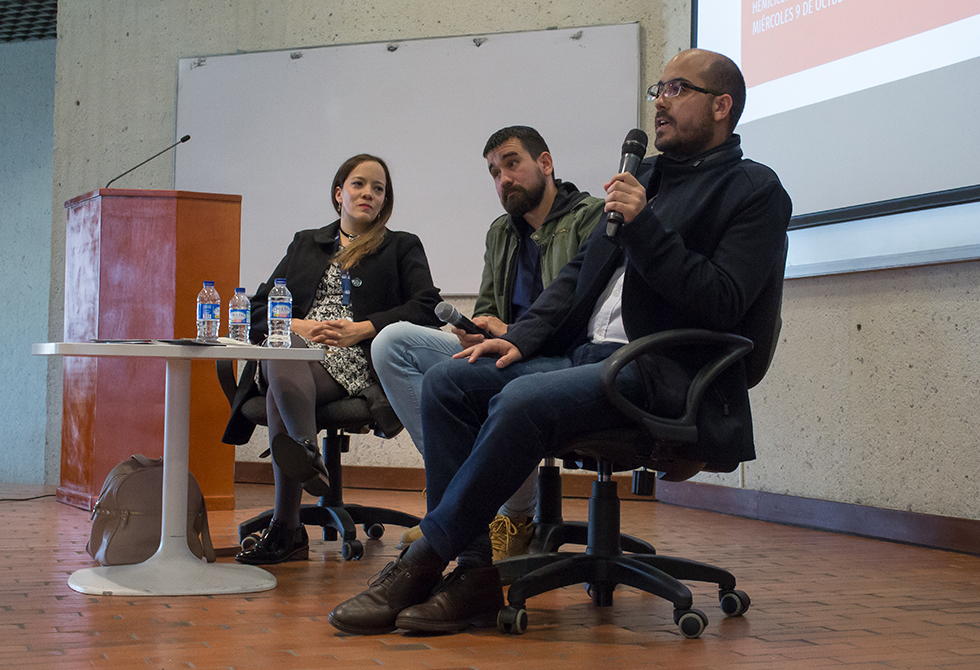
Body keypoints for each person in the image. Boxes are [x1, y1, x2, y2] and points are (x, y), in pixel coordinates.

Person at [328, 48, 793, 636]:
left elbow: (724, 302)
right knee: (450, 380)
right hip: (588, 357)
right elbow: (576, 278)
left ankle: (422, 561)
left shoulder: (755, 191)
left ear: (721, 106)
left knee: (520, 400)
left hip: (664, 369)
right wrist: (519, 341)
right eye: (659, 89)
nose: (660, 102)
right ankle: (472, 572)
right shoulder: (647, 178)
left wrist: (646, 228)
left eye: (678, 89)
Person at [371, 126, 603, 559]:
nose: (504, 179)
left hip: (565, 356)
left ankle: (508, 515)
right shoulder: (501, 231)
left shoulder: (590, 217)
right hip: (504, 348)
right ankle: (463, 504)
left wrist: (514, 332)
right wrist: (476, 328)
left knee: (496, 381)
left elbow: (582, 309)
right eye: (495, 173)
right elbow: (488, 307)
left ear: (546, 163)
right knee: (392, 343)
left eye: (512, 164)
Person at [223, 153, 442, 565]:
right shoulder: (306, 243)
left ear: (385, 201)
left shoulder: (400, 246)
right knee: (281, 347)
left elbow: (427, 307)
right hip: (293, 349)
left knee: (278, 388)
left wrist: (364, 328)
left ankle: (287, 527)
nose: (368, 193)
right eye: (359, 184)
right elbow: (256, 309)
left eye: (379, 189)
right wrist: (299, 326)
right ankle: (307, 454)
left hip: (354, 357)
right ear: (339, 193)